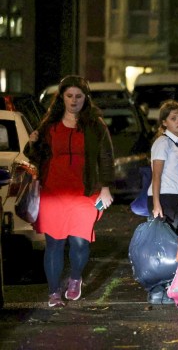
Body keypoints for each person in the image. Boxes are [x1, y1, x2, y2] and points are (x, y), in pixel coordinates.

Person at [24, 75, 115, 308]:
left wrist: (105, 188)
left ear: (86, 98)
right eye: (69, 96)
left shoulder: (95, 125)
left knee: (80, 242)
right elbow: (33, 156)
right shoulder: (49, 125)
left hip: (86, 193)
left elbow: (106, 156)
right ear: (61, 98)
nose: (74, 100)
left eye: (78, 96)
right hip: (53, 192)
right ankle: (53, 293)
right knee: (54, 244)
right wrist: (32, 142)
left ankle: (75, 277)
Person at [146, 99, 178, 304]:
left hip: (176, 198)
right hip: (162, 197)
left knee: (174, 245)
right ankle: (156, 290)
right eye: (173, 118)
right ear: (164, 122)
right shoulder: (162, 143)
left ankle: (169, 287)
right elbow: (156, 175)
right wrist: (156, 203)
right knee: (160, 246)